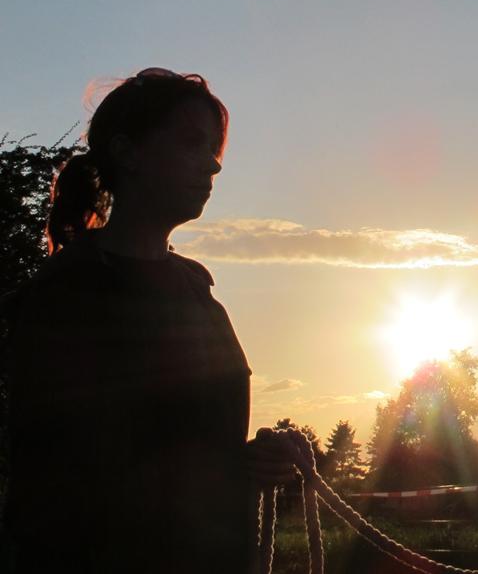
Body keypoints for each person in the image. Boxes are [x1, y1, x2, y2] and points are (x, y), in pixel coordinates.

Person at [3, 69, 296, 573]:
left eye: (214, 150)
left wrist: (255, 462)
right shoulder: (61, 299)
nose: (212, 166)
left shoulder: (200, 296)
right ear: (128, 151)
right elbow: (61, 475)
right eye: (190, 143)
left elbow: (190, 449)